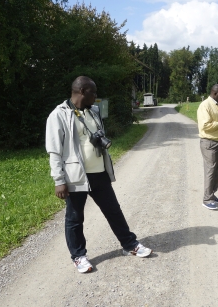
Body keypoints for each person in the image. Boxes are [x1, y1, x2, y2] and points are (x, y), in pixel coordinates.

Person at [45, 76, 152, 274]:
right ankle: (78, 256)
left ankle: (130, 245)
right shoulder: (58, 115)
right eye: (93, 92)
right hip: (76, 176)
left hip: (99, 172)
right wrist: (59, 180)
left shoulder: (94, 111)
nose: (96, 96)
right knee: (75, 218)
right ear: (82, 91)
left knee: (113, 210)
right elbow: (54, 151)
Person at [197, 84, 218, 210]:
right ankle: (206, 199)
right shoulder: (205, 105)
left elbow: (217, 119)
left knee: (217, 169)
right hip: (209, 142)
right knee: (210, 170)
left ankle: (212, 194)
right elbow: (205, 125)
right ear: (215, 93)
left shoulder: (216, 105)